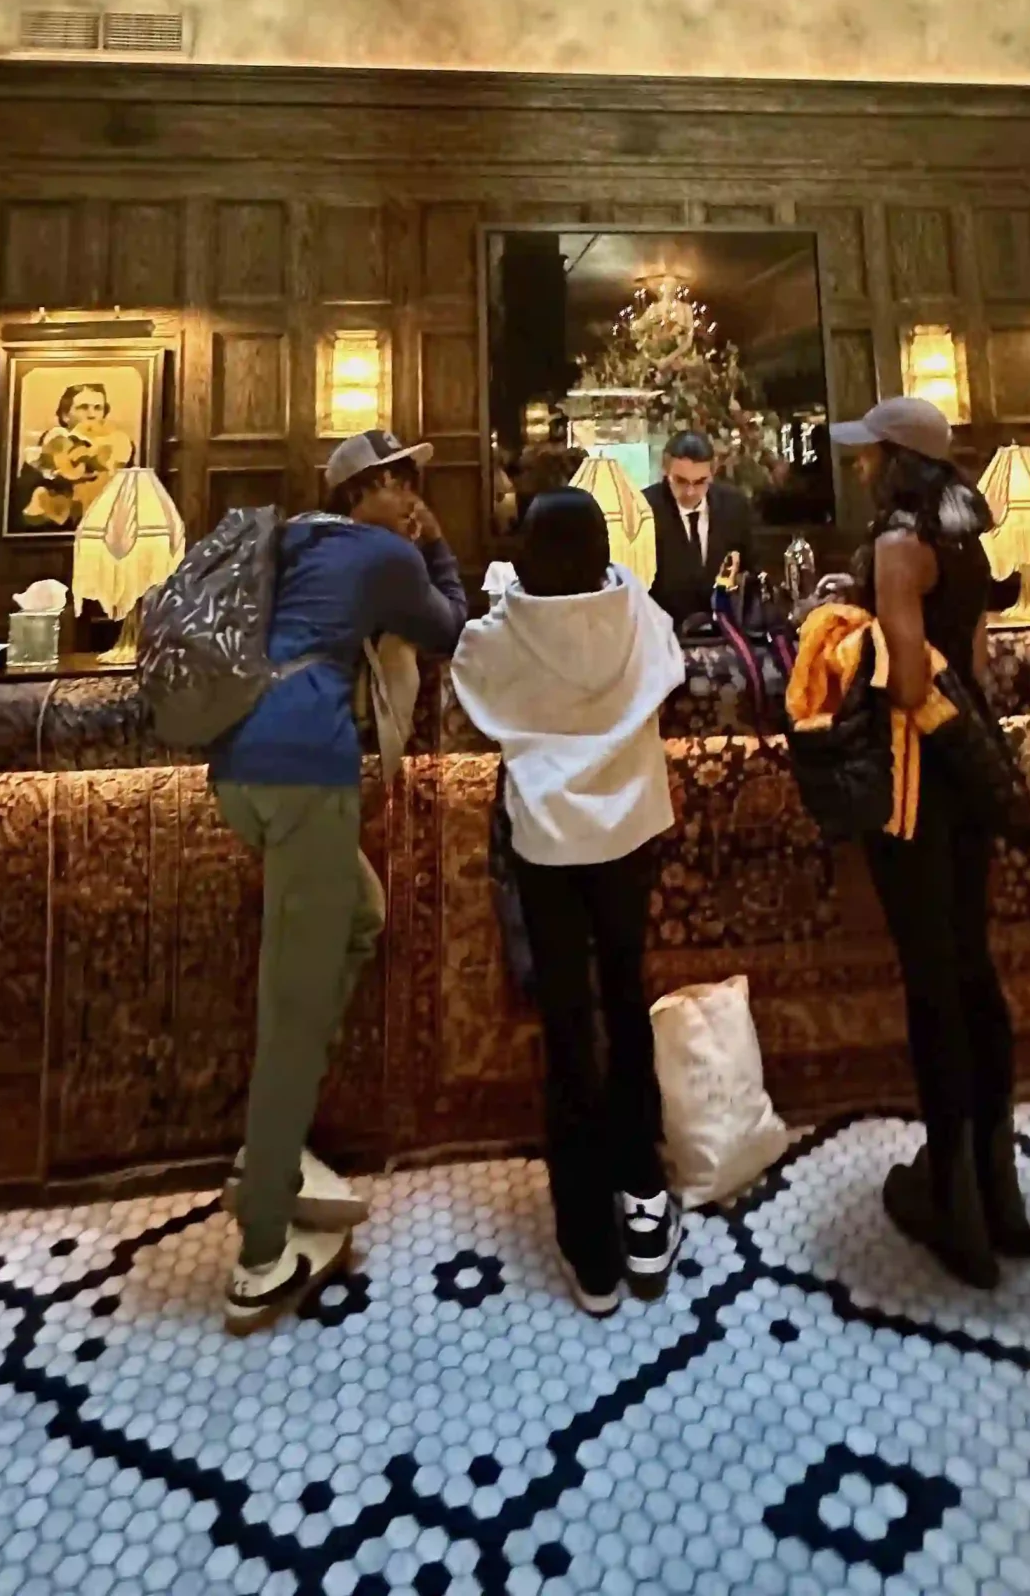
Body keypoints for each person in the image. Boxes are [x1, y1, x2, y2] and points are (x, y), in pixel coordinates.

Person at [212, 428, 469, 1330]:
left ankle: (271, 1152)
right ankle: (260, 1249)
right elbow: (451, 626)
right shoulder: (384, 552)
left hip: (238, 772)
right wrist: (433, 544)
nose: (413, 496)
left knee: (360, 914)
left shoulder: (292, 538)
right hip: (303, 771)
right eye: (404, 483)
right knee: (291, 1010)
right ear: (374, 488)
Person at [450, 487, 688, 1315]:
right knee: (625, 999)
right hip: (630, 835)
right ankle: (647, 1201)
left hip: (548, 840)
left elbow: (471, 685)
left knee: (566, 1019)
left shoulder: (503, 632)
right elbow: (673, 661)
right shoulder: (637, 613)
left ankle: (588, 1244)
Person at [832, 395, 1027, 1291]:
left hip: (913, 782)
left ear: (891, 461)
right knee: (972, 964)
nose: (858, 466)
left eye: (868, 453)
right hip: (969, 768)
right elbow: (976, 667)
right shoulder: (968, 536)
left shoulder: (898, 543)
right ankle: (998, 1181)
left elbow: (907, 678)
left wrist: (853, 630)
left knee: (932, 979)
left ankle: (951, 1199)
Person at [645, 430, 757, 628]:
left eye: (699, 482)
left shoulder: (735, 506)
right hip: (663, 633)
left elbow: (751, 569)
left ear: (712, 473)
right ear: (665, 469)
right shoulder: (644, 509)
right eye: (680, 481)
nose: (690, 492)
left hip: (726, 632)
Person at [13, 380, 134, 530]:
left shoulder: (119, 444)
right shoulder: (51, 444)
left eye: (98, 408)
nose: (92, 415)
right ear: (65, 415)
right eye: (83, 408)